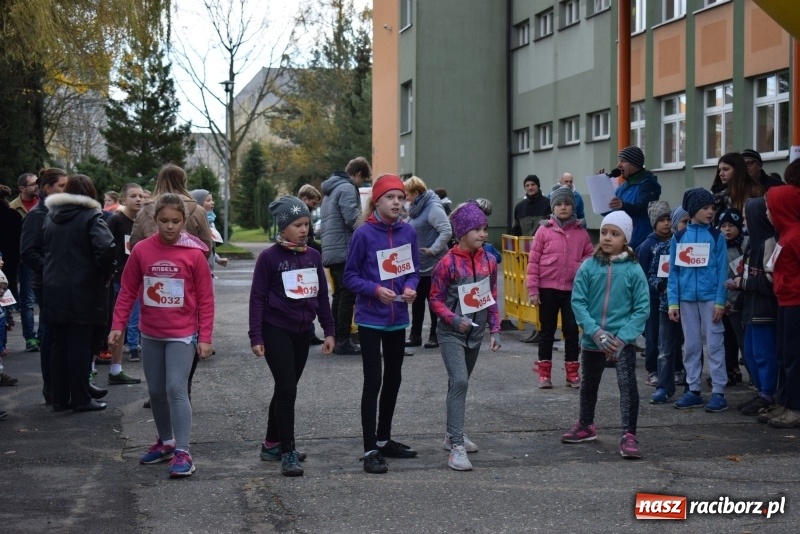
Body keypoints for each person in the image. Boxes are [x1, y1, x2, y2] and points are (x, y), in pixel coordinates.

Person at [109, 193, 214, 477]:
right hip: (151, 333)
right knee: (155, 391)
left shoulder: (194, 254)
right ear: (155, 220)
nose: (170, 226)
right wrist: (118, 325)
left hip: (182, 334)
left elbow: (206, 299)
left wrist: (205, 337)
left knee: (175, 388)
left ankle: (183, 451)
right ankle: (166, 441)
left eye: (175, 221)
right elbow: (127, 290)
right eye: (164, 220)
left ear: (184, 221)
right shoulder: (142, 250)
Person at [248, 196, 336, 477]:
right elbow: (257, 298)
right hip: (275, 329)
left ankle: (271, 444)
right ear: (283, 227)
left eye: (306, 224)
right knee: (287, 387)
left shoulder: (313, 256)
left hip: (302, 331)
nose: (303, 230)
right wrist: (255, 335)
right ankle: (288, 451)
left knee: (285, 388)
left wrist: (329, 330)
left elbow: (322, 296)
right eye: (297, 225)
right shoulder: (269, 258)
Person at [343, 174, 420, 474]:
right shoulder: (363, 234)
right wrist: (375, 290)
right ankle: (370, 448)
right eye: (390, 197)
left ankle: (384, 439)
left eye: (401, 198)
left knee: (394, 379)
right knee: (373, 380)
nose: (397, 203)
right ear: (377, 201)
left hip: (397, 318)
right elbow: (350, 277)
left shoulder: (408, 232)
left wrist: (410, 287)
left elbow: (413, 271)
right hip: (370, 320)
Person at [562, 211, 649, 460]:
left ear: (626, 239)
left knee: (627, 386)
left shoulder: (633, 270)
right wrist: (595, 332)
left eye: (615, 234)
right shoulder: (589, 266)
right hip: (593, 341)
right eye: (604, 232)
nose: (607, 238)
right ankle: (586, 424)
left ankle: (629, 434)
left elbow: (642, 308)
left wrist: (622, 339)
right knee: (588, 385)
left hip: (622, 343)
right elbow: (578, 302)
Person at [131, 165, 213, 406]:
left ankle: (162, 391)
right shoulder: (196, 210)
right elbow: (206, 245)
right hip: (188, 283)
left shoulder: (146, 209)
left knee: (157, 334)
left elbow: (134, 243)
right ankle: (180, 388)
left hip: (153, 282)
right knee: (188, 334)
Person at [429, 201, 501, 471]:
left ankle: (451, 434)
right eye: (477, 229)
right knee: (459, 381)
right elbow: (435, 299)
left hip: (476, 334)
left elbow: (491, 296)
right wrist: (454, 319)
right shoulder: (446, 264)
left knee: (457, 383)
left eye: (485, 228)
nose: (483, 234)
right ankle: (457, 447)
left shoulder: (489, 261)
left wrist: (495, 329)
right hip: (451, 333)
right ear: (461, 233)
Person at [43, 175, 115, 413]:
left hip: (54, 286)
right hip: (83, 288)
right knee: (79, 345)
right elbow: (105, 247)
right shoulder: (91, 216)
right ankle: (81, 398)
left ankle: (60, 398)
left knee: (59, 344)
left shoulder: (51, 216)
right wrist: (104, 273)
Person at [668, 188, 729, 412]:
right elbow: (673, 272)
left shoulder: (716, 236)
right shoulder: (679, 237)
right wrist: (673, 302)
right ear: (693, 210)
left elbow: (723, 271)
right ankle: (693, 389)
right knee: (691, 345)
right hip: (686, 300)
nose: (711, 211)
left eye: (712, 207)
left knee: (714, 344)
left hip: (710, 298)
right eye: (705, 208)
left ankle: (718, 391)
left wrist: (720, 301)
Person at [526, 186, 593, 388]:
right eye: (559, 204)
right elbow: (533, 262)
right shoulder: (543, 231)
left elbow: (590, 256)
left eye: (567, 204)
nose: (563, 207)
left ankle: (572, 373)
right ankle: (544, 374)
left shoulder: (581, 233)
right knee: (547, 331)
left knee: (572, 331)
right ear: (553, 207)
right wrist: (533, 289)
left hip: (572, 290)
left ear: (573, 207)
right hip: (547, 290)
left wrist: (579, 265)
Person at [20, 168, 69, 405]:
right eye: (62, 186)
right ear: (48, 188)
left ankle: (66, 384)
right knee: (50, 332)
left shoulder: (59, 211)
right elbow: (28, 252)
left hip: (63, 281)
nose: (66, 190)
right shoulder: (36, 215)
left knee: (62, 333)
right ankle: (51, 387)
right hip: (46, 283)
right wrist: (51, 269)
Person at [320, 157, 371, 355]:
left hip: (332, 250)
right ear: (358, 174)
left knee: (339, 295)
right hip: (344, 250)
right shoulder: (347, 188)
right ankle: (343, 340)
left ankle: (335, 337)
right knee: (348, 296)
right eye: (363, 180)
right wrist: (369, 229)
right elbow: (352, 219)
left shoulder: (331, 191)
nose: (361, 184)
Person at [732, 198, 777, 416]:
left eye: (745, 217)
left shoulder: (768, 242)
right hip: (751, 308)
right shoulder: (752, 244)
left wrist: (744, 283)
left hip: (764, 310)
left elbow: (771, 280)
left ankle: (769, 394)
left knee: (763, 354)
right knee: (749, 353)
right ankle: (761, 392)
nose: (743, 221)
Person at [764, 185, 800, 428]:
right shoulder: (785, 234)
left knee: (794, 357)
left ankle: (795, 407)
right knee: (784, 355)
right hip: (785, 301)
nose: (767, 212)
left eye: (770, 208)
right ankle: (785, 401)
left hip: (796, 302)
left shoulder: (795, 235)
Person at [403, 176, 452, 349]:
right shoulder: (415, 208)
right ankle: (415, 335)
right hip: (419, 264)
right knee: (417, 301)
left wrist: (433, 249)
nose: (406, 198)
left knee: (434, 301)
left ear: (416, 192)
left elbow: (446, 230)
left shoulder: (433, 207)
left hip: (434, 264)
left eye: (408, 194)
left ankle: (435, 335)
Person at [106, 183, 146, 385]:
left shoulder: (145, 221)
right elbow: (106, 246)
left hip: (140, 278)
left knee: (136, 318)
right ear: (123, 200)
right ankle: (109, 366)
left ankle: (119, 364)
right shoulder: (116, 220)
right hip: (119, 277)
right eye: (133, 196)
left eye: (141, 196)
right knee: (117, 321)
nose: (138, 199)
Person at [649, 206, 688, 405]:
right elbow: (653, 275)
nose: (688, 227)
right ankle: (664, 386)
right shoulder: (663, 248)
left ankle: (692, 386)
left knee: (691, 347)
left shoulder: (700, 248)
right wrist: (662, 286)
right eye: (684, 222)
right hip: (667, 306)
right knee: (665, 348)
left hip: (690, 305)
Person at [512, 174, 551, 344]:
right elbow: (515, 228)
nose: (530, 187)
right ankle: (535, 323)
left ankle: (541, 326)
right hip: (524, 254)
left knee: (543, 289)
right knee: (528, 289)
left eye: (532, 184)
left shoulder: (548, 203)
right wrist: (515, 249)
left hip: (544, 253)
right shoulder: (520, 207)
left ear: (538, 185)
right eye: (527, 185)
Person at [607, 146, 662, 250]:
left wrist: (623, 205)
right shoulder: (623, 186)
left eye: (623, 161)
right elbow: (608, 211)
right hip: (621, 244)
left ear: (634, 163)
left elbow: (642, 209)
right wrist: (600, 185)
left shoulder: (648, 184)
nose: (618, 165)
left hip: (639, 245)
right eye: (619, 161)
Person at [8, 173, 39, 352]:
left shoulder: (43, 205)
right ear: (22, 188)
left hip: (37, 257)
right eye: (33, 184)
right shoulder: (13, 207)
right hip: (18, 258)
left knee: (33, 298)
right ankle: (29, 337)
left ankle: (39, 336)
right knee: (24, 299)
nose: (37, 186)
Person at [717, 208, 747, 386]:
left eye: (731, 225)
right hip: (725, 302)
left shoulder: (747, 244)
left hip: (744, 301)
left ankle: (754, 376)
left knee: (744, 340)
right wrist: (723, 300)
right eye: (723, 226)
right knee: (726, 339)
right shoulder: (718, 247)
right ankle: (730, 370)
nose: (727, 229)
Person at [297, 184, 325, 345]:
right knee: (307, 295)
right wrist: (322, 249)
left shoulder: (301, 214)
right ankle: (308, 332)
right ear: (305, 199)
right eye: (313, 204)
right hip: (304, 259)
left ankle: (309, 331)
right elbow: (308, 241)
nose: (314, 208)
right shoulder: (302, 216)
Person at [711, 152, 764, 221]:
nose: (721, 174)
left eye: (726, 169)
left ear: (737, 171)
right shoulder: (716, 193)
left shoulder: (754, 192)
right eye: (719, 170)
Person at [190, 189, 228, 272]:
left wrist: (218, 259)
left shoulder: (211, 223)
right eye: (208, 200)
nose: (212, 202)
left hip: (209, 270)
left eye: (212, 200)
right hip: (198, 268)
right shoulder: (195, 222)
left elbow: (209, 247)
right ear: (198, 204)